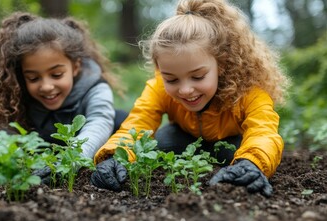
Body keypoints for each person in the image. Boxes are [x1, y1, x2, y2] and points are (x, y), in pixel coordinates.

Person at [90, 0, 290, 197]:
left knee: (238, 153)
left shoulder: (248, 91)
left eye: (197, 77)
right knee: (162, 143)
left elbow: (263, 131)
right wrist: (116, 156)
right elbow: (138, 123)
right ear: (160, 70)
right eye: (171, 79)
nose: (185, 90)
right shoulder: (158, 86)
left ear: (221, 64)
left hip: (230, 142)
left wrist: (252, 163)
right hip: (182, 139)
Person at [0, 12, 127, 190]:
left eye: (56, 75)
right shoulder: (15, 95)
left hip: (87, 147)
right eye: (33, 78)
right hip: (40, 153)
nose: (46, 86)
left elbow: (99, 123)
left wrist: (67, 161)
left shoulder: (95, 87)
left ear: (76, 67)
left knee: (121, 120)